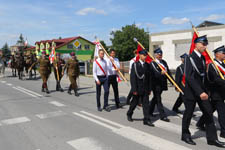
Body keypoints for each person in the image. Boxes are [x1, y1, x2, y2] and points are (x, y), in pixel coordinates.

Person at [181, 35, 225, 148]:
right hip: (192, 92)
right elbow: (189, 77)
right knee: (188, 113)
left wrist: (206, 90)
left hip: (202, 92)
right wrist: (200, 92)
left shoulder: (203, 58)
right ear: (196, 44)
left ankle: (212, 139)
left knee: (208, 112)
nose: (205, 46)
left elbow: (203, 77)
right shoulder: (189, 58)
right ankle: (185, 134)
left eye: (206, 44)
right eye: (203, 44)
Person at [196, 45, 225, 139]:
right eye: (223, 53)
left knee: (211, 110)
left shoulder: (223, 64)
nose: (224, 55)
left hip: (222, 92)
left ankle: (200, 122)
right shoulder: (212, 65)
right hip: (216, 93)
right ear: (217, 54)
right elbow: (215, 79)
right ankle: (223, 131)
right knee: (222, 112)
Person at [127, 50, 154, 127]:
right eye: (143, 55)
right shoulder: (135, 65)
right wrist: (134, 89)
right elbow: (133, 78)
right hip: (137, 88)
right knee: (134, 103)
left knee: (146, 104)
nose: (145, 57)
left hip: (145, 88)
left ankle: (146, 119)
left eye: (146, 55)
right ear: (139, 55)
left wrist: (149, 89)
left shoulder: (147, 65)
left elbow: (149, 78)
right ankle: (129, 113)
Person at [149, 48, 172, 122]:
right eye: (158, 54)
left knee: (155, 98)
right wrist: (161, 73)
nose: (160, 56)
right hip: (156, 84)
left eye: (161, 54)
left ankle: (149, 111)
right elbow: (155, 74)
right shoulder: (153, 63)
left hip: (162, 84)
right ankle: (163, 116)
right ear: (155, 55)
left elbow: (168, 73)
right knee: (158, 99)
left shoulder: (164, 62)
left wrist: (172, 82)